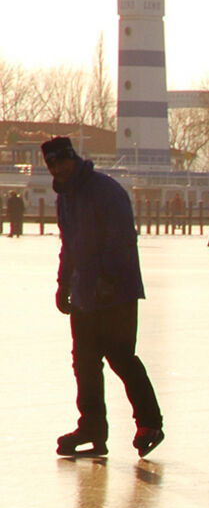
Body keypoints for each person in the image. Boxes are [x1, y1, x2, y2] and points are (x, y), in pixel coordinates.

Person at [42, 136, 164, 460]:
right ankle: (92, 428)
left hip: (117, 293)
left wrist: (108, 279)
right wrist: (63, 283)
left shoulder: (105, 190)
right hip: (84, 294)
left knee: (121, 357)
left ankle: (150, 423)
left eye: (61, 162)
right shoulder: (64, 197)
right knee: (84, 363)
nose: (57, 169)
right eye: (51, 165)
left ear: (73, 159)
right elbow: (69, 244)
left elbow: (121, 239)